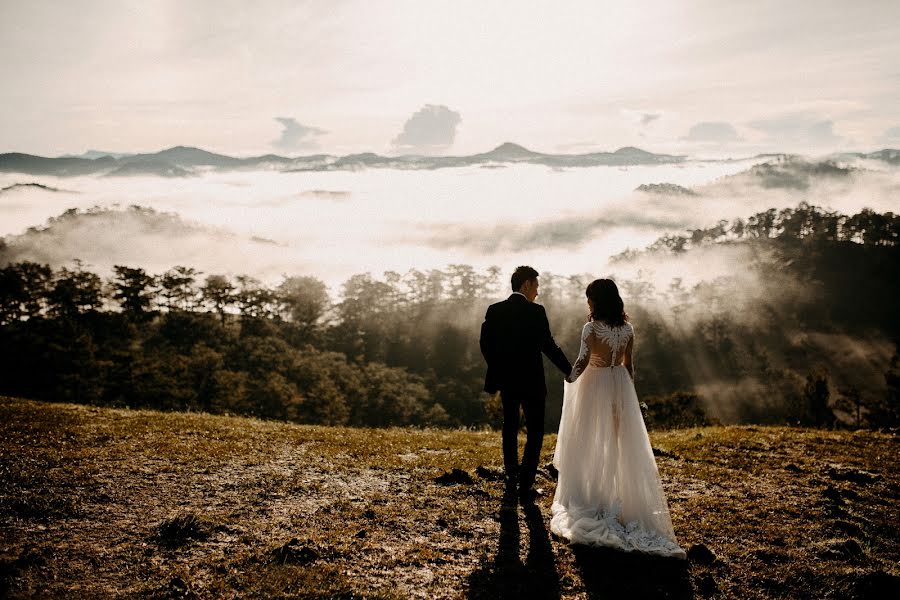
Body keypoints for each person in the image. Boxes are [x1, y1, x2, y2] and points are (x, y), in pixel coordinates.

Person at [550, 278, 686, 559]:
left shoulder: (591, 328)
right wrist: (629, 396)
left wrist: (569, 377)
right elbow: (629, 364)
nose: (587, 303)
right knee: (616, 442)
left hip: (594, 386)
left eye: (589, 298)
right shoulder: (628, 329)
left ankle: (593, 498)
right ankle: (615, 497)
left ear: (597, 301)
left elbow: (583, 360)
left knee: (588, 440)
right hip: (619, 384)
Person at [480, 266, 572, 504]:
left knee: (509, 427)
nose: (538, 293)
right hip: (532, 381)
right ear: (526, 285)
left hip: (507, 380)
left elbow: (485, 344)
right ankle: (526, 483)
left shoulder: (495, 310)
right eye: (536, 286)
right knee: (535, 431)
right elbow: (548, 346)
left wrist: (498, 368)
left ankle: (511, 477)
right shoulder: (536, 312)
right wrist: (570, 370)